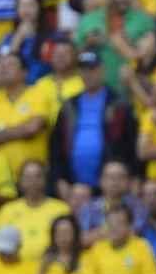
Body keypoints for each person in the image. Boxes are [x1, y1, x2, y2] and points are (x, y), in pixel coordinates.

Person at [49, 52, 138, 191]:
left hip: (111, 186)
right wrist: (59, 179)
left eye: (92, 69)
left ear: (102, 70)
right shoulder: (69, 105)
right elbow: (56, 147)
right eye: (83, 70)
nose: (87, 74)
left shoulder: (119, 103)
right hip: (74, 186)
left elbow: (132, 142)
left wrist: (134, 176)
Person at [0, 160, 67, 262]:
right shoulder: (7, 210)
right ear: (20, 181)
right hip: (14, 269)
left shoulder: (61, 209)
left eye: (38, 176)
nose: (33, 181)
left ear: (45, 179)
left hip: (52, 267)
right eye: (27, 177)